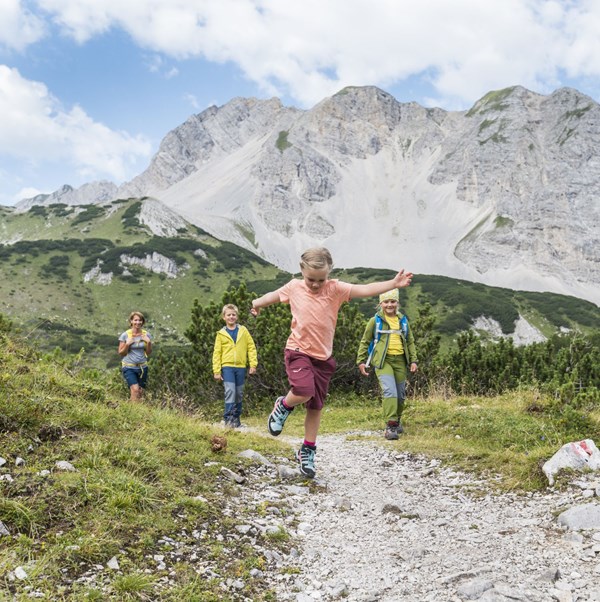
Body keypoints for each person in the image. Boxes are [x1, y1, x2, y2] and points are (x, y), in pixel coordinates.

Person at [250, 247, 413, 479]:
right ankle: (284, 406)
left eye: (320, 279)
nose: (315, 284)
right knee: (303, 390)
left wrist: (393, 283)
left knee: (315, 407)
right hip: (297, 351)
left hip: (323, 358)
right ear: (301, 271)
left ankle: (307, 450)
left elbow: (365, 289)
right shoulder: (294, 287)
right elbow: (272, 296)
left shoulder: (335, 289)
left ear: (329, 274)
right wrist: (256, 303)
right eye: (310, 279)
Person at [356, 289, 418, 440]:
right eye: (386, 302)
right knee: (390, 391)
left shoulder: (403, 320)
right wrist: (361, 361)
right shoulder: (375, 321)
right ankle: (390, 426)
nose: (389, 305)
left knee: (400, 394)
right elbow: (365, 341)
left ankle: (396, 420)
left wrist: (413, 360)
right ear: (381, 304)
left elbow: (410, 341)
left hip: (401, 361)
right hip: (383, 361)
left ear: (397, 303)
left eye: (392, 301)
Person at [213, 304, 258, 428]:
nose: (231, 317)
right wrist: (216, 371)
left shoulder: (243, 331)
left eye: (233, 315)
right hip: (227, 367)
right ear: (224, 317)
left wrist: (253, 364)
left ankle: (236, 419)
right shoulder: (221, 334)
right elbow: (217, 353)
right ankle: (228, 419)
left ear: (236, 316)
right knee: (230, 391)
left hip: (241, 367)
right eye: (228, 315)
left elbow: (251, 347)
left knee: (239, 393)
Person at [118, 311, 153, 401]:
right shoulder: (125, 335)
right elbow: (121, 352)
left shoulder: (147, 334)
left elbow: (148, 353)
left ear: (142, 322)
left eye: (140, 320)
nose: (138, 322)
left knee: (140, 392)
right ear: (131, 321)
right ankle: (132, 412)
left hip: (142, 367)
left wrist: (148, 342)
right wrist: (127, 344)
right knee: (135, 390)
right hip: (129, 367)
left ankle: (132, 410)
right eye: (135, 320)